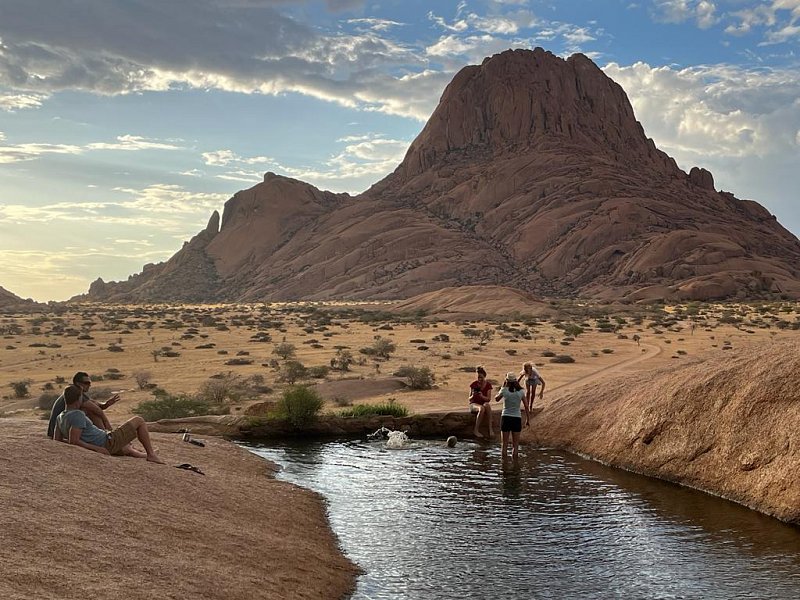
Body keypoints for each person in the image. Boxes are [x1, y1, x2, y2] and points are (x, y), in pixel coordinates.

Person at [54, 385, 164, 464]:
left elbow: (57, 441)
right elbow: (74, 441)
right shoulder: (77, 414)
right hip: (107, 441)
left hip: (105, 440)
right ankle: (151, 455)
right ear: (79, 399)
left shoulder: (60, 417)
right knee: (139, 420)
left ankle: (144, 455)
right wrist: (96, 448)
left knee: (126, 448)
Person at [46, 371, 120, 438]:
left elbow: (95, 404)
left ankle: (105, 435)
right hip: (59, 431)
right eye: (86, 383)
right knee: (91, 412)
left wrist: (106, 404)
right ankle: (107, 437)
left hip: (58, 429)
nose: (89, 385)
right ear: (78, 383)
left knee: (88, 410)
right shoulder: (76, 393)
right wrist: (108, 426)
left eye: (90, 383)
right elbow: (97, 410)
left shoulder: (72, 391)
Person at [495, 372, 528, 460]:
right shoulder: (521, 391)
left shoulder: (505, 390)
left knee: (504, 445)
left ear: (507, 381)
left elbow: (496, 399)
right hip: (516, 418)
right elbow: (526, 406)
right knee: (515, 446)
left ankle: (504, 466)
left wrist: (503, 386)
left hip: (506, 417)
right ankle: (515, 467)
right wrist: (527, 419)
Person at [468, 366, 494, 438]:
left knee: (487, 405)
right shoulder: (474, 385)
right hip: (474, 404)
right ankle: (476, 430)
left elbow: (488, 399)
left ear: (484, 376)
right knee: (481, 408)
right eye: (478, 377)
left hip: (483, 403)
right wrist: (473, 395)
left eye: (481, 377)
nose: (479, 379)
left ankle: (490, 428)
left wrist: (482, 396)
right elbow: (469, 399)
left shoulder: (488, 385)